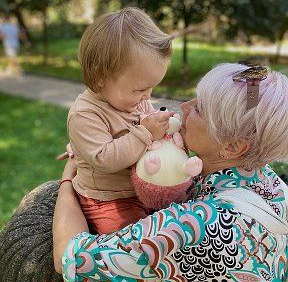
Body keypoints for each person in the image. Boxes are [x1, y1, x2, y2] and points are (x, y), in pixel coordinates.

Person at [53, 63, 288, 281]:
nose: (184, 107)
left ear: (233, 146)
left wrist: (69, 178)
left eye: (199, 109)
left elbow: (70, 258)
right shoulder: (276, 188)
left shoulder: (192, 224)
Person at [63, 7, 173, 235]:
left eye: (152, 88)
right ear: (100, 77)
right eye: (140, 89)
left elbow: (150, 124)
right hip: (108, 200)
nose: (148, 96)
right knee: (138, 241)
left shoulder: (134, 100)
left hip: (140, 188)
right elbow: (105, 159)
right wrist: (146, 133)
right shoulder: (85, 114)